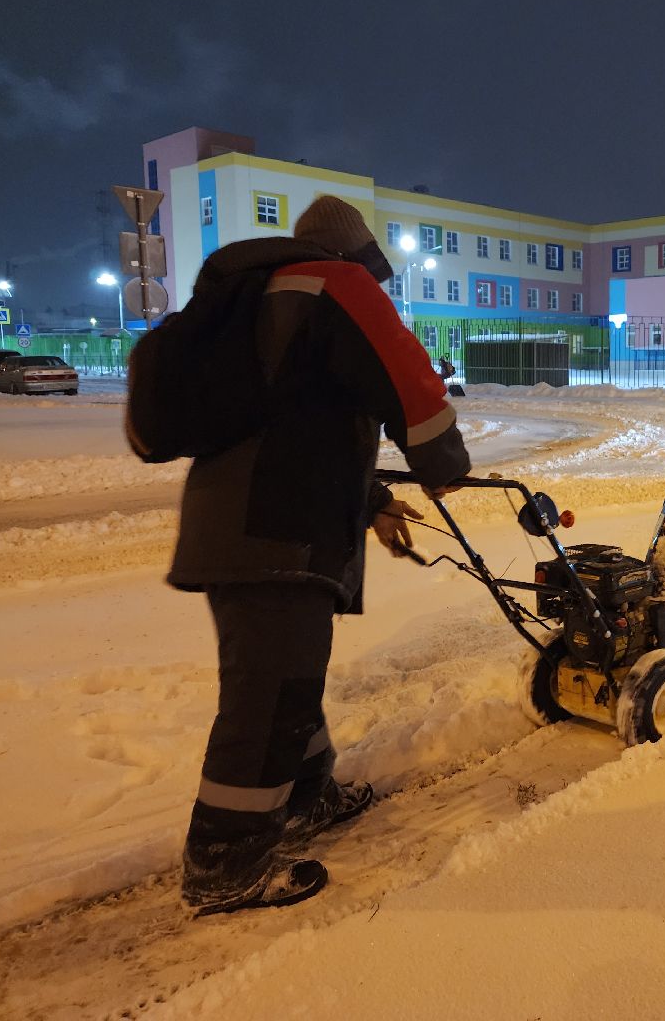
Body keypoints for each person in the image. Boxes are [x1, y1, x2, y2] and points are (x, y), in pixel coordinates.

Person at [168, 195, 470, 915]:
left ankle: (308, 797)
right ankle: (224, 865)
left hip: (240, 522)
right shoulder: (338, 286)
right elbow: (410, 382)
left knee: (287, 678)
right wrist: (443, 462)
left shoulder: (262, 301)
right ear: (362, 258)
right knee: (265, 699)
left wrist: (370, 502)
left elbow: (306, 424)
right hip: (277, 526)